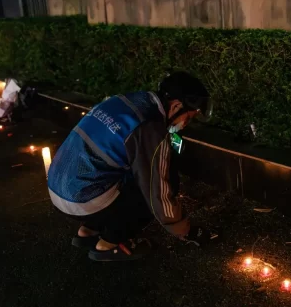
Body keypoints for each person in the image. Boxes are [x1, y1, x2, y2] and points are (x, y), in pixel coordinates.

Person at [47, 71, 213, 262]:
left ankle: (88, 230)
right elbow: (157, 191)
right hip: (82, 199)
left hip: (58, 186)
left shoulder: (126, 101)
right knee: (158, 183)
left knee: (119, 170)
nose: (184, 126)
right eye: (188, 118)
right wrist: (184, 229)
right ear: (176, 106)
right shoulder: (150, 127)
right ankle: (110, 243)